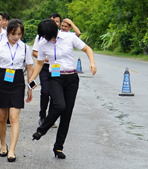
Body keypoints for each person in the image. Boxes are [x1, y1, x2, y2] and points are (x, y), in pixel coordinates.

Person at [27, 19, 97, 159]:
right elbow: (40, 63)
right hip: (55, 77)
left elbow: (87, 49)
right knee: (59, 105)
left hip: (71, 78)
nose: (46, 38)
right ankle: (42, 130)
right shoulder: (42, 43)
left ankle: (58, 148)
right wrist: (31, 79)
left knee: (67, 114)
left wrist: (92, 63)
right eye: (44, 36)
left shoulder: (69, 37)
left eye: (48, 35)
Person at [0, 19, 33, 162]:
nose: (16, 37)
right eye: (14, 34)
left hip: (17, 81)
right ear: (8, 32)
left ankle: (12, 150)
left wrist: (30, 87)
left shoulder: (25, 48)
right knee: (2, 117)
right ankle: (3, 144)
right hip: (1, 78)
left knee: (14, 117)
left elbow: (29, 68)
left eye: (19, 34)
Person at [32, 12, 63, 127]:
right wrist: (44, 58)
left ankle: (51, 117)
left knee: (55, 93)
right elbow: (34, 52)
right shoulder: (41, 36)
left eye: (57, 21)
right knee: (45, 91)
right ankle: (42, 115)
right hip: (45, 67)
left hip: (56, 68)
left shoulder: (63, 37)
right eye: (52, 21)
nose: (55, 23)